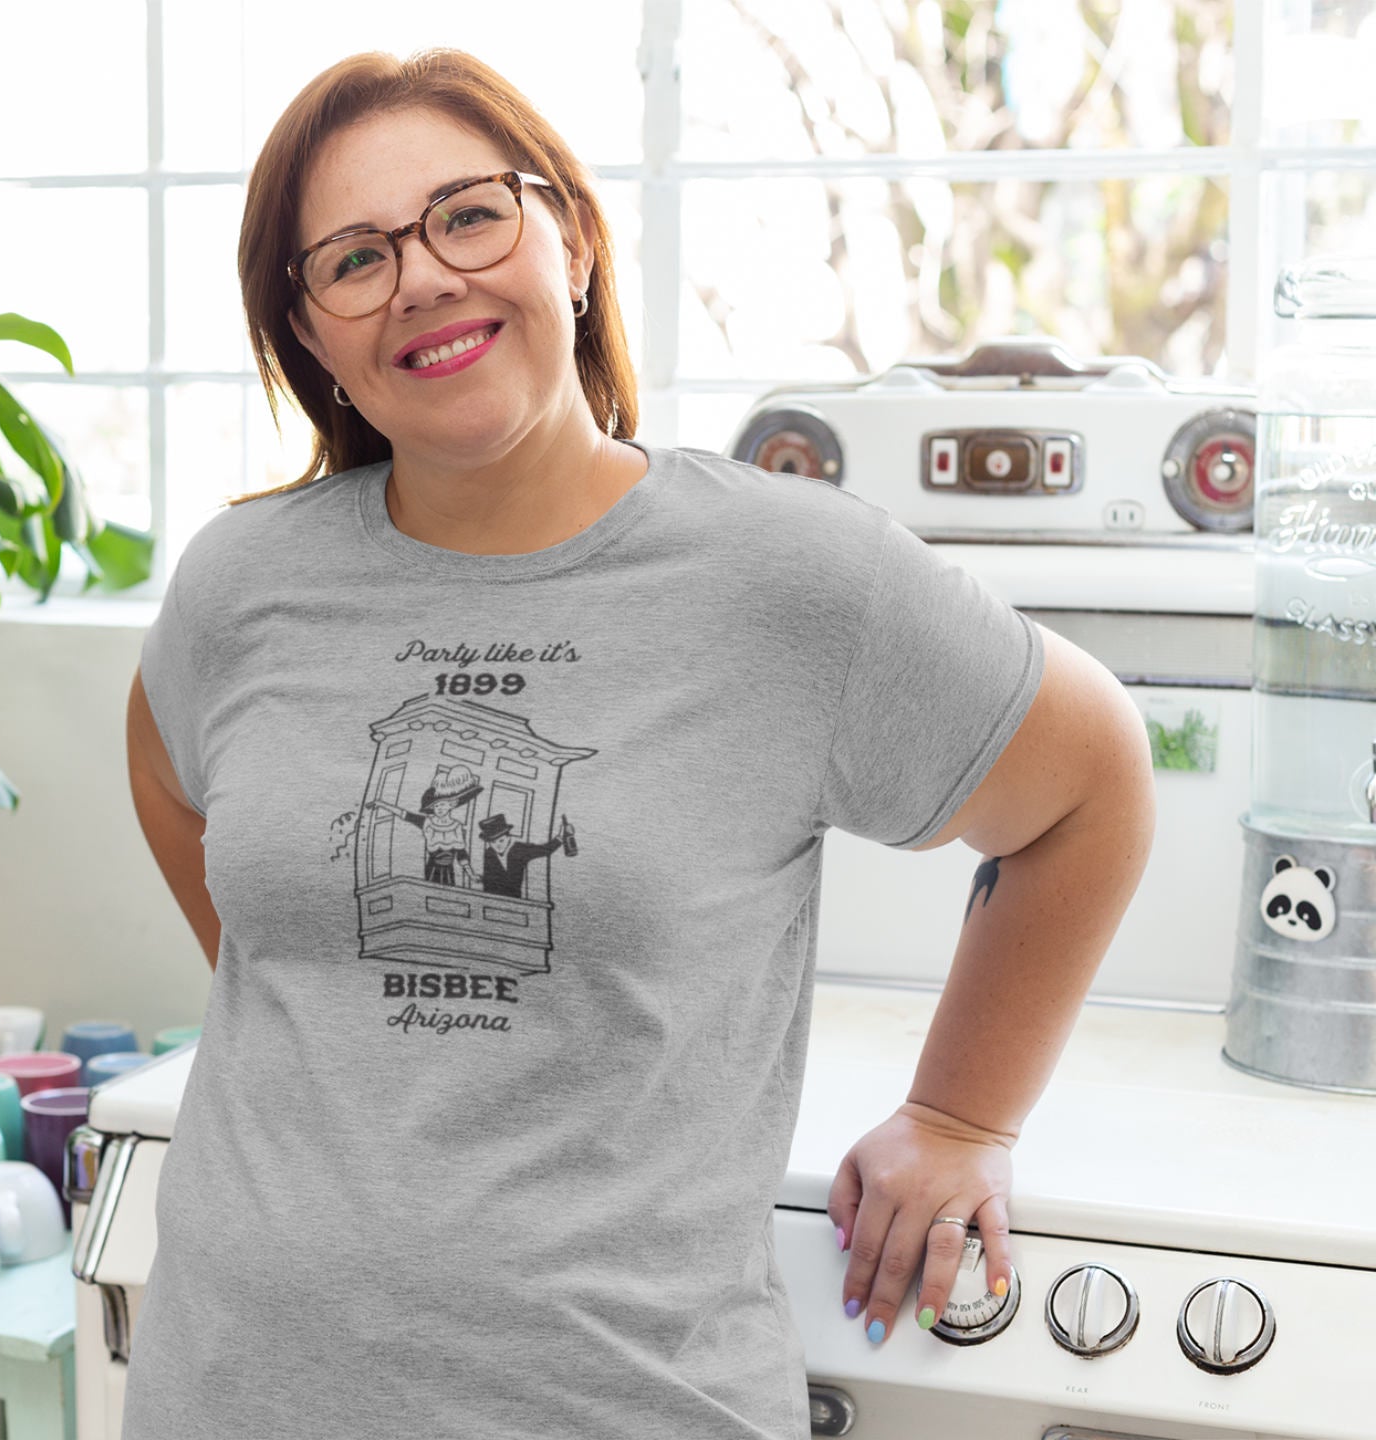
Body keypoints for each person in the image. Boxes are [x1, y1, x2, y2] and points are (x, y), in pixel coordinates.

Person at [123, 47, 1154, 1440]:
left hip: (626, 1403)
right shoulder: (241, 583)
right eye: (354, 259)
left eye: (469, 215)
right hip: (235, 1388)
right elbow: (168, 764)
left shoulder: (793, 581)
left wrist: (962, 1119)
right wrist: (330, 998)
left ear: (576, 244)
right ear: (313, 339)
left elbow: (1093, 788)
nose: (422, 276)